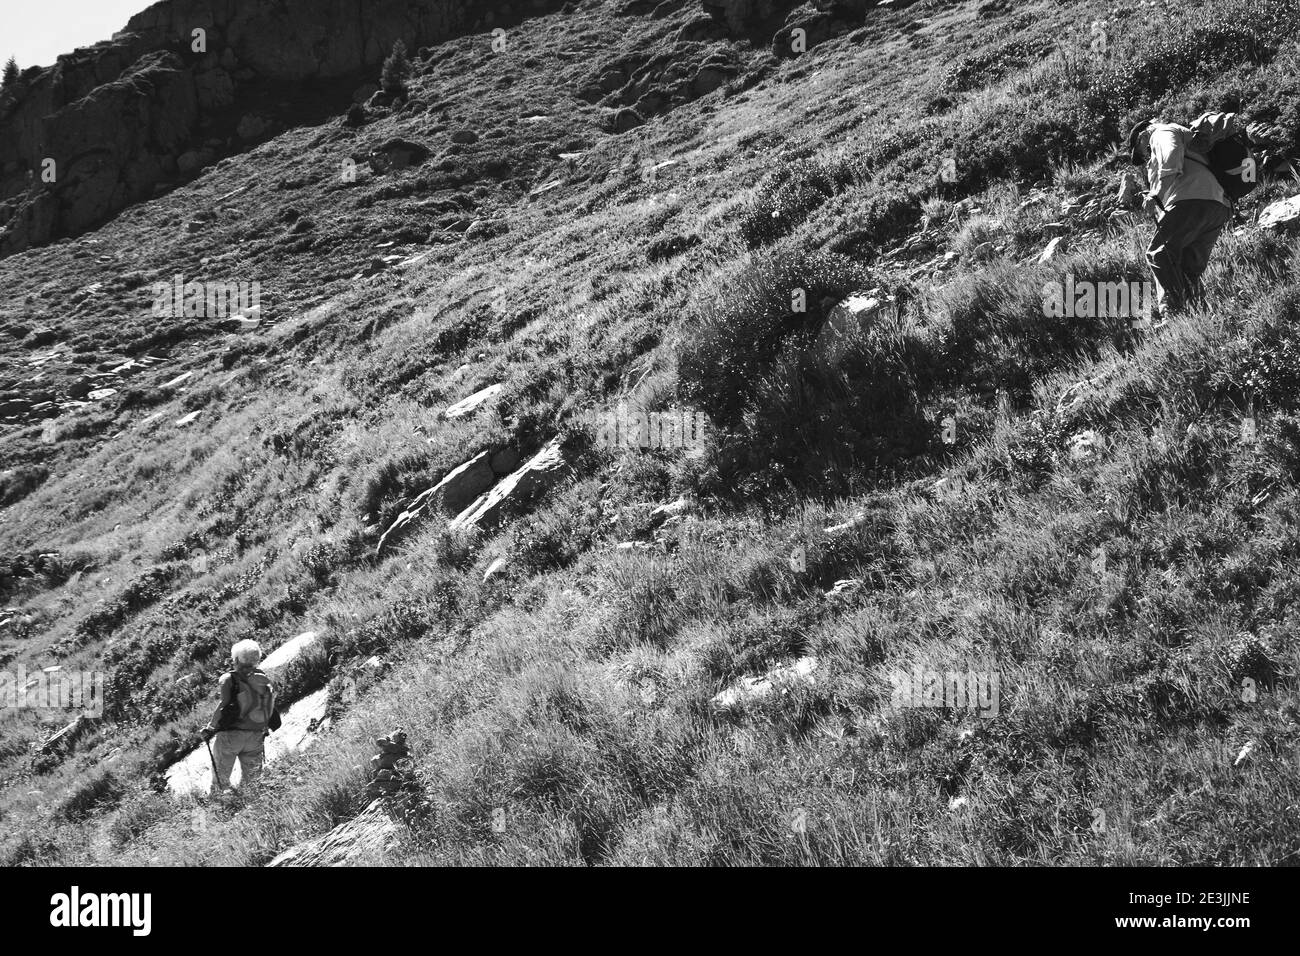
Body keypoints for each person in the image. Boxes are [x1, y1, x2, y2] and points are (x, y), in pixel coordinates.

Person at [1127, 112, 1241, 315]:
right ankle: (1198, 316)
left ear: (1144, 134)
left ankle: (1174, 312)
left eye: (1142, 151)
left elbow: (1171, 157)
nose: (1145, 156)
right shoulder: (1182, 135)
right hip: (1217, 205)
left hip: (1191, 200)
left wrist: (1156, 195)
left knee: (1159, 254)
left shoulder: (1160, 132)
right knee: (1189, 268)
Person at [201, 639, 276, 795]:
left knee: (220, 779)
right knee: (253, 780)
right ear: (257, 659)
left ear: (235, 659)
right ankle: (250, 805)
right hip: (256, 736)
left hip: (231, 736)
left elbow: (224, 705)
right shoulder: (263, 679)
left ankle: (219, 809)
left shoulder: (229, 679)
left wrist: (210, 728)